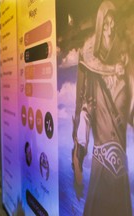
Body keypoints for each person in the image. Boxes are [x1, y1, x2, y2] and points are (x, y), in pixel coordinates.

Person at [72, 1, 133, 215]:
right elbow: (85, 111)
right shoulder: (92, 69)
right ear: (100, 26)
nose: (110, 29)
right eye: (105, 24)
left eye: (113, 23)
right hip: (100, 161)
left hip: (121, 168)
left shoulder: (126, 72)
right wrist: (79, 154)